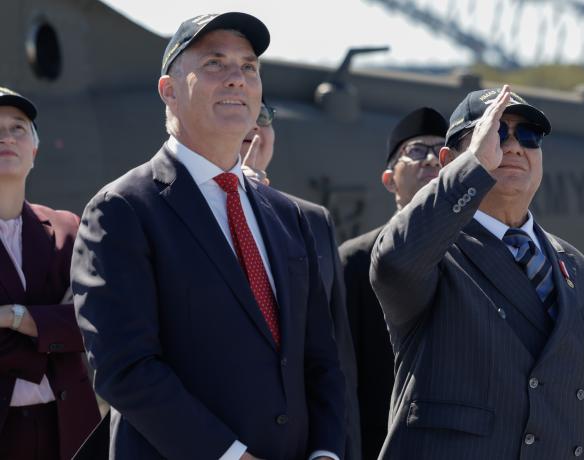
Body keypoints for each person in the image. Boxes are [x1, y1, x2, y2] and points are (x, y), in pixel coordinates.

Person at [71, 13, 346, 459]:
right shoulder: (123, 209)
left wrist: (326, 453)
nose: (237, 78)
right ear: (169, 91)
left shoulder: (288, 216)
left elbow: (321, 362)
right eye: (215, 63)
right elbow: (125, 368)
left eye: (249, 66)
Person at [370, 85, 584, 459]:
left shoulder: (579, 270)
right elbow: (393, 262)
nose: (513, 146)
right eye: (495, 133)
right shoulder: (435, 255)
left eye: (529, 136)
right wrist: (474, 168)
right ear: (451, 159)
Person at [241, 101, 362, 460]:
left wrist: (334, 450)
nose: (253, 126)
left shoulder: (309, 220)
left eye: (262, 117)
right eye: (240, 113)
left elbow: (335, 354)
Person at [337, 106, 446, 459]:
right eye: (416, 151)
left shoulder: (484, 256)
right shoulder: (356, 261)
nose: (431, 160)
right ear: (389, 179)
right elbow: (340, 372)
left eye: (442, 151)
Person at [0, 87, 100, 460]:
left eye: (18, 128)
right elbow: (69, 327)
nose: (6, 138)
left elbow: (94, 322)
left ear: (34, 151)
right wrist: (52, 328)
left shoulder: (67, 229)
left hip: (69, 429)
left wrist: (12, 317)